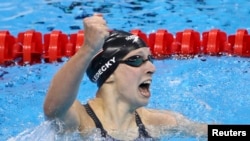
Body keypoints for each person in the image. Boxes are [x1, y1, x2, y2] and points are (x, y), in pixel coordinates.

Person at [43, 13, 208, 140]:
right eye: (136, 60)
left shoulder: (155, 122)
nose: (151, 67)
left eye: (149, 59)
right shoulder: (83, 121)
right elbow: (54, 109)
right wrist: (88, 48)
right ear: (108, 73)